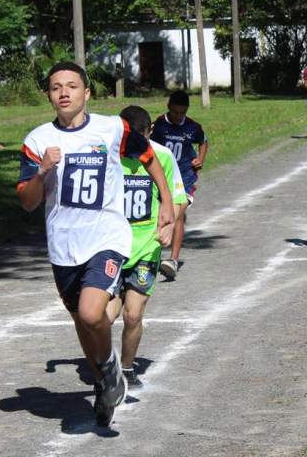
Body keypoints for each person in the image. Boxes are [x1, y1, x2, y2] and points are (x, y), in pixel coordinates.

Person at [16, 61, 174, 427]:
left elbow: (149, 157)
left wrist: (166, 202)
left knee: (92, 313)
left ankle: (109, 371)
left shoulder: (111, 128)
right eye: (56, 87)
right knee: (83, 322)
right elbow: (27, 201)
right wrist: (41, 170)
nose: (64, 93)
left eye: (72, 86)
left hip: (106, 236)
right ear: (49, 96)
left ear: (87, 92)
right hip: (63, 245)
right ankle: (106, 383)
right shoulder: (38, 140)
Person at [106, 105, 188, 389]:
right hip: (111, 246)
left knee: (133, 314)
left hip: (145, 247)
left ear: (149, 132)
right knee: (105, 316)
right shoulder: (108, 154)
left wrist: (167, 226)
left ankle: (127, 368)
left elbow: (179, 199)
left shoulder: (161, 156)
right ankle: (106, 368)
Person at [150, 90, 208, 280]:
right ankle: (151, 256)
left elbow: (204, 141)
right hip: (161, 176)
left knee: (179, 215)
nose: (177, 117)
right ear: (168, 107)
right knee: (158, 213)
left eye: (181, 113)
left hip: (184, 177)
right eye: (174, 112)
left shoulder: (192, 127)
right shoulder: (158, 125)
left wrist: (200, 158)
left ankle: (173, 260)